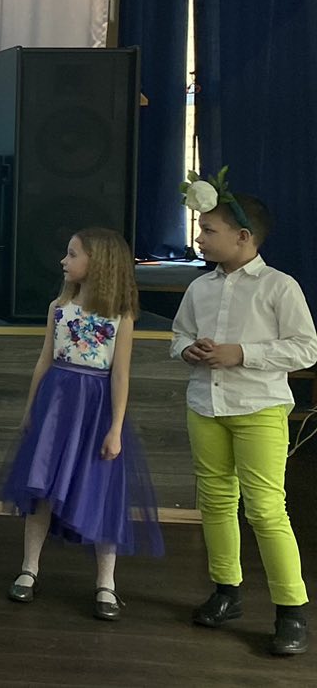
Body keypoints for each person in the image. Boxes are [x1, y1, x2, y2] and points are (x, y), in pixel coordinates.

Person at [174, 170, 317, 655]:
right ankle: (226, 592)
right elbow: (179, 335)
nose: (199, 237)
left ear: (243, 236)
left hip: (259, 408)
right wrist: (187, 349)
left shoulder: (279, 286)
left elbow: (306, 348)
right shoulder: (200, 288)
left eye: (207, 230)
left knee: (265, 509)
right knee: (215, 502)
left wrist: (241, 353)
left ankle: (291, 610)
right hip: (205, 405)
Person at [0, 227, 162, 621]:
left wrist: (115, 427)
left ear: (98, 263)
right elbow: (45, 360)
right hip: (56, 406)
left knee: (101, 491)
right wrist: (30, 409)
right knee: (41, 486)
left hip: (95, 409)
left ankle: (106, 583)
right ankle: (29, 569)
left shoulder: (121, 316)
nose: (63, 260)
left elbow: (120, 373)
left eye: (72, 254)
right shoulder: (59, 307)